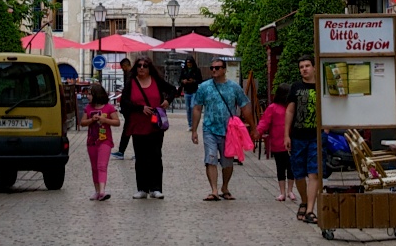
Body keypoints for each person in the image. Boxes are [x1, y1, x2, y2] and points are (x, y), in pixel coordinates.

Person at [190, 56, 250, 201]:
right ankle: (214, 190)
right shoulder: (204, 87)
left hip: (229, 131)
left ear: (224, 70)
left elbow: (244, 106)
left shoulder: (234, 87)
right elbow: (197, 108)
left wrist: (252, 127)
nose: (214, 70)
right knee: (210, 158)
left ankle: (225, 187)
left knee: (227, 162)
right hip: (209, 128)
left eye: (217, 68)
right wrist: (194, 130)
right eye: (212, 68)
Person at [124, 54, 176, 198]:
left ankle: (156, 188)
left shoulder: (157, 81)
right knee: (140, 157)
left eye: (145, 66)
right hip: (138, 124)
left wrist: (167, 101)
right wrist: (140, 108)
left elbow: (173, 90)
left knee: (155, 156)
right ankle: (142, 188)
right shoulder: (131, 82)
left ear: (149, 68)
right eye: (139, 65)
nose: (141, 68)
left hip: (155, 124)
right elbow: (125, 102)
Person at [284, 53, 320, 224]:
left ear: (313, 67)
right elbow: (290, 110)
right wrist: (286, 134)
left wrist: (326, 130)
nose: (304, 69)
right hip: (298, 135)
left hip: (316, 136)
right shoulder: (296, 87)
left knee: (314, 172)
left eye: (307, 66)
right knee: (298, 173)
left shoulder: (321, 86)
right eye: (301, 67)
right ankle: (304, 201)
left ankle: (311, 209)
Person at [255, 83, 294, 202]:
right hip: (287, 142)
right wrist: (258, 131)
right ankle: (287, 191)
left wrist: (257, 132)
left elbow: (264, 122)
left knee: (283, 168)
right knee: (287, 167)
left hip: (279, 142)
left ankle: (285, 192)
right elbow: (264, 122)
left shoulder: (273, 107)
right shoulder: (284, 107)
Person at [82, 81, 121, 200]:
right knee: (94, 167)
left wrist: (105, 121)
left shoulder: (109, 108)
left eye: (90, 94)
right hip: (91, 141)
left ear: (97, 94)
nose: (87, 96)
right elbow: (82, 123)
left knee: (101, 166)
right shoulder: (88, 108)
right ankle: (97, 190)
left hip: (105, 141)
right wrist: (91, 120)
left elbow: (117, 122)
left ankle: (103, 191)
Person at [112, 57, 134, 158]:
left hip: (130, 108)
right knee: (129, 130)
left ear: (125, 66)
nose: (122, 69)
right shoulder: (129, 75)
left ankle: (122, 151)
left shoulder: (131, 75)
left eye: (122, 67)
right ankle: (122, 151)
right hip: (128, 107)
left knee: (129, 130)